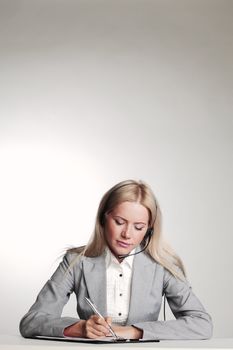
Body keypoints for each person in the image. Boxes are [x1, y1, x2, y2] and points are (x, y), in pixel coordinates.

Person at [19, 180, 213, 340]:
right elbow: (31, 322)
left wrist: (134, 332)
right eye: (119, 222)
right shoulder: (77, 261)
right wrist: (79, 327)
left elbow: (202, 324)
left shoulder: (162, 266)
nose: (127, 234)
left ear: (149, 229)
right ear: (104, 219)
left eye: (138, 227)